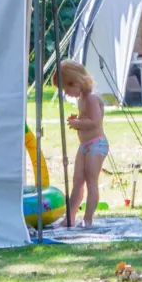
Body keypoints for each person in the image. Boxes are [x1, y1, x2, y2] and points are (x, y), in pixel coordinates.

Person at [58, 60, 107, 229]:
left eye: (66, 89)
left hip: (96, 145)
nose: (66, 93)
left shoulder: (92, 97)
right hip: (85, 145)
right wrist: (77, 120)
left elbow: (94, 122)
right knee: (77, 180)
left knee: (91, 180)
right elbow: (85, 118)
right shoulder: (82, 98)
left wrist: (78, 123)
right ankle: (69, 218)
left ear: (76, 82)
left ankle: (88, 219)